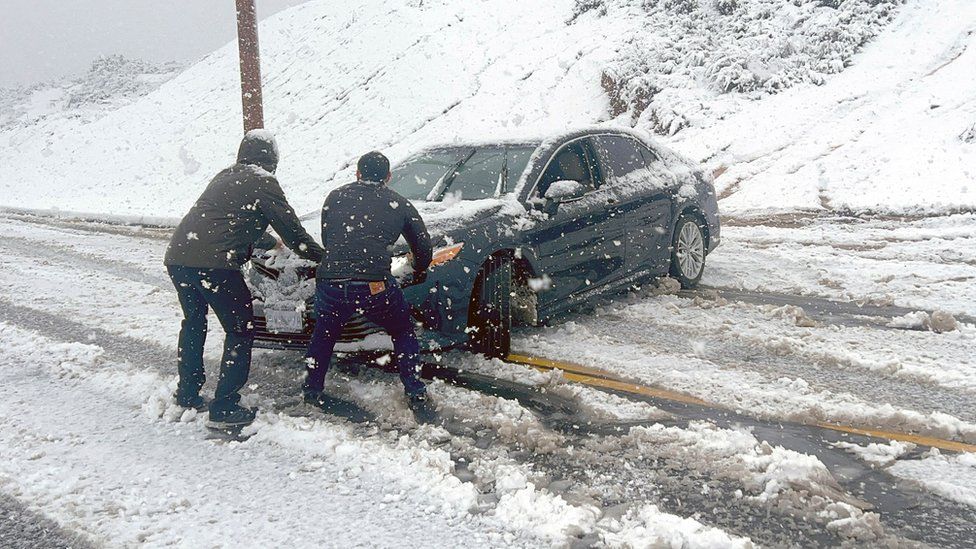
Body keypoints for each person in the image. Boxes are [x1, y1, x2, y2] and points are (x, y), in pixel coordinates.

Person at [164, 130, 324, 427]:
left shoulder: (226, 176)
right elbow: (294, 233)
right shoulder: (264, 181)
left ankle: (187, 394)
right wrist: (325, 258)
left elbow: (231, 221)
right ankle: (224, 407)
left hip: (179, 257)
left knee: (194, 323)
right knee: (240, 329)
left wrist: (270, 243)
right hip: (216, 265)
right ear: (272, 159)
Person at [304, 151, 433, 416]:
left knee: (324, 333)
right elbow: (423, 247)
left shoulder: (335, 196)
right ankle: (414, 389)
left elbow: (329, 239)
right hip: (374, 284)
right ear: (388, 177)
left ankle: (312, 388)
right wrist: (418, 268)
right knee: (402, 330)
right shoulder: (398, 203)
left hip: (331, 281)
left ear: (358, 174)